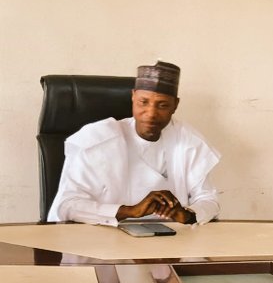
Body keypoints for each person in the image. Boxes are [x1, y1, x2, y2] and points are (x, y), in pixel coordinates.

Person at [47, 60, 220, 225]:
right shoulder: (99, 138)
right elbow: (68, 205)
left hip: (169, 243)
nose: (151, 113)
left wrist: (188, 214)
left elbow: (209, 200)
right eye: (143, 102)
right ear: (133, 97)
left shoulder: (187, 141)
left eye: (162, 105)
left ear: (175, 105)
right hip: (105, 242)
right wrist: (129, 211)